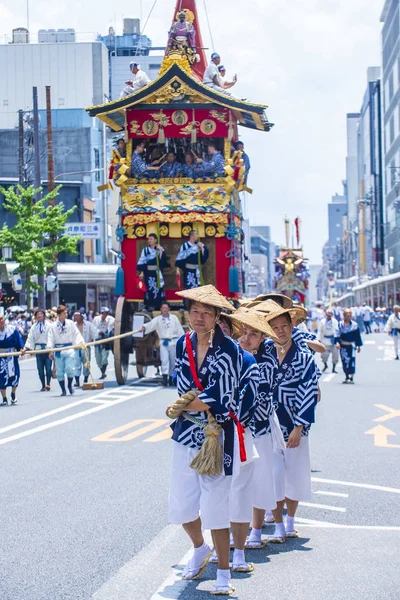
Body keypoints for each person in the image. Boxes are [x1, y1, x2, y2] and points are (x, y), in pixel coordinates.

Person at [166, 285, 240, 595]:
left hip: (217, 437)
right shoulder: (181, 345)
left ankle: (224, 571)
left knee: (215, 509)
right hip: (186, 434)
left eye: (206, 313)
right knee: (182, 506)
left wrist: (187, 403)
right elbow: (181, 384)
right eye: (195, 311)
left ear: (216, 317)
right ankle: (199, 548)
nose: (199, 317)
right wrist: (191, 401)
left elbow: (222, 395)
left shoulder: (231, 350)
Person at [261, 308, 320, 543]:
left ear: (292, 327)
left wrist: (299, 426)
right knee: (273, 474)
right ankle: (276, 524)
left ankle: (291, 521)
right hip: (267, 423)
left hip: (294, 424)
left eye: (284, 326)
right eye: (274, 327)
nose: (280, 331)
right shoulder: (264, 351)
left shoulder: (304, 356)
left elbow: (309, 390)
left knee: (294, 474)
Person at [140, 302, 184, 386]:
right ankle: (164, 379)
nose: (165, 310)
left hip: (173, 342)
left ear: (169, 309)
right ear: (161, 309)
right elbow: (151, 325)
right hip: (164, 343)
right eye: (163, 308)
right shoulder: (158, 319)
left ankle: (171, 378)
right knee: (164, 360)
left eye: (166, 308)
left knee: (173, 361)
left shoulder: (174, 318)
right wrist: (144, 327)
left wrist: (182, 341)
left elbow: (179, 330)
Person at [47, 305, 84, 396]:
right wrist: (50, 350)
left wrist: (81, 342)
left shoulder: (71, 323)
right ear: (59, 315)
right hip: (59, 350)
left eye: (66, 313)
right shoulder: (53, 326)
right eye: (64, 313)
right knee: (59, 372)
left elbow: (77, 334)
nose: (66, 314)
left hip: (69, 349)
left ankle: (70, 386)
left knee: (70, 368)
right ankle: (63, 389)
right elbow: (50, 338)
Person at [137, 234, 168, 310]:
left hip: (156, 273)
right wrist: (142, 272)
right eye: (149, 239)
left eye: (151, 239)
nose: (149, 240)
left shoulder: (159, 249)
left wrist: (160, 250)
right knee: (149, 288)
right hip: (148, 273)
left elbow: (163, 261)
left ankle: (158, 306)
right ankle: (149, 305)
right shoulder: (145, 250)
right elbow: (142, 261)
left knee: (158, 289)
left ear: (155, 240)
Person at [24, 308, 52, 391]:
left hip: (47, 347)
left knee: (48, 368)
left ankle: (48, 383)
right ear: (36, 316)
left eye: (41, 314)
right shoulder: (33, 327)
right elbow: (30, 338)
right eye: (38, 314)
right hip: (38, 349)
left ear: (44, 315)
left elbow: (52, 337)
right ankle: (43, 385)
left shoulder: (49, 325)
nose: (40, 316)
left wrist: (51, 348)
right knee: (40, 369)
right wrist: (28, 348)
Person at [0, 314, 24, 405]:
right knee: (1, 378)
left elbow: (19, 340)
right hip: (1, 358)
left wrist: (22, 348)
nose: (0, 321)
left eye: (1, 319)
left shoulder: (12, 329)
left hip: (12, 356)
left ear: (4, 319)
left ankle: (13, 393)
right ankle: (4, 398)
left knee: (15, 376)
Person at [336, 308, 363, 384]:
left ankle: (351, 376)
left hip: (351, 346)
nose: (348, 315)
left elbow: (357, 336)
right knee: (344, 361)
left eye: (349, 314)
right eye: (346, 314)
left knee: (352, 361)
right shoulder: (340, 324)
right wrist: (337, 342)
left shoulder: (354, 325)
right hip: (343, 346)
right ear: (344, 315)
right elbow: (337, 334)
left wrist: (359, 346)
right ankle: (346, 376)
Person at [73, 312, 97, 387]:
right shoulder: (73, 325)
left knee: (86, 364)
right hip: (76, 348)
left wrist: (95, 339)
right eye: (75, 316)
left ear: (82, 317)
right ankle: (77, 381)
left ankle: (85, 379)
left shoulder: (88, 324)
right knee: (76, 364)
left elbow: (95, 332)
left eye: (78, 316)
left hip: (86, 347)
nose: (76, 317)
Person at [93, 307, 115, 379]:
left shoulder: (111, 319)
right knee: (98, 358)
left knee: (104, 357)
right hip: (97, 340)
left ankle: (103, 372)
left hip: (106, 340)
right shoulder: (96, 319)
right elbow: (93, 328)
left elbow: (116, 325)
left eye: (106, 313)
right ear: (101, 313)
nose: (105, 315)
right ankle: (102, 371)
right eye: (104, 313)